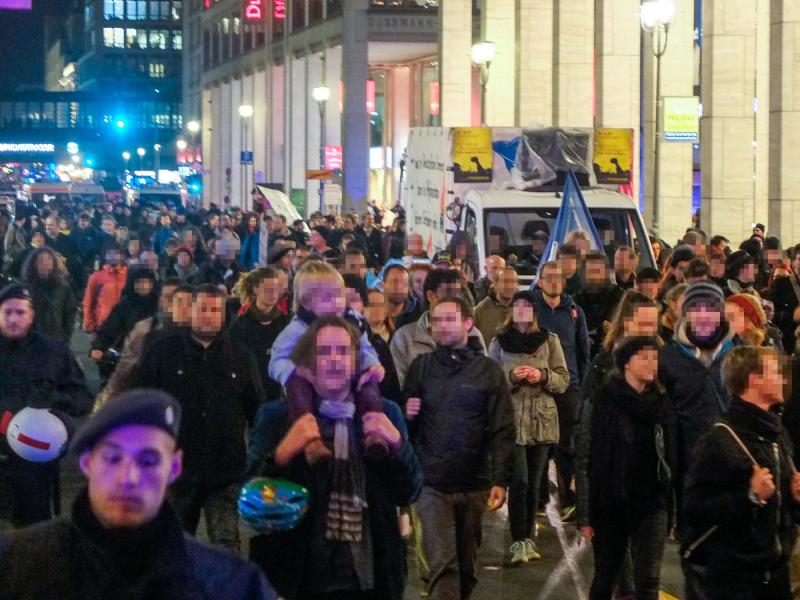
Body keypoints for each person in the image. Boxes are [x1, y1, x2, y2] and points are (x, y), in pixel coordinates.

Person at [0, 389, 277, 599]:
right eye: (112, 458)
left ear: (174, 466)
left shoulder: (229, 584)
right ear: (87, 463)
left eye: (148, 461)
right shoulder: (16, 564)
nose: (128, 478)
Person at [248, 317, 421, 599]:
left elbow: (409, 491)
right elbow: (252, 505)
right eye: (324, 351)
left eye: (343, 351)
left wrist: (398, 446)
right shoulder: (277, 417)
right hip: (298, 576)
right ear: (305, 364)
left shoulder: (384, 414)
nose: (334, 360)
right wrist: (280, 456)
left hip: (369, 575)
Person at [133, 285, 266, 551]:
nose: (209, 315)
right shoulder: (162, 352)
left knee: (227, 546)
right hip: (176, 472)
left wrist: (256, 463)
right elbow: (142, 404)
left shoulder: (241, 357)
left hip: (225, 471)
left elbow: (257, 412)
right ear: (190, 311)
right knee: (173, 546)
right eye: (202, 308)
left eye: (215, 310)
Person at [404, 297, 515, 600]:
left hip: (474, 483)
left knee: (466, 568)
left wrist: (500, 479)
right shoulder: (421, 368)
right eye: (436, 320)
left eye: (449, 318)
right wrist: (407, 414)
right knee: (444, 565)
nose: (442, 325)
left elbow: (503, 428)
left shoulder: (489, 372)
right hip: (432, 483)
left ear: (468, 323)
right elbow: (406, 431)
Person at [682, 346, 799, 600]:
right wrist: (750, 497)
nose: (782, 378)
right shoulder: (720, 441)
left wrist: (795, 498)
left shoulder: (778, 436)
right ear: (754, 379)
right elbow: (694, 510)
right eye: (775, 372)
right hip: (732, 582)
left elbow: (781, 514)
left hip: (775, 578)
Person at [576, 337, 676, 600]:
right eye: (643, 357)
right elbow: (586, 457)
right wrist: (585, 515)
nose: (650, 363)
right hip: (611, 502)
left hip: (651, 503)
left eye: (654, 357)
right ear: (626, 363)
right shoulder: (602, 401)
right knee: (606, 576)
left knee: (649, 580)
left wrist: (671, 507)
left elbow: (670, 459)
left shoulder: (662, 403)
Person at [267, 261, 387, 464]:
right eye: (327, 298)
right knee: (297, 388)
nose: (337, 303)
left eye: (340, 295)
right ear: (307, 303)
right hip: (310, 382)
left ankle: (373, 432)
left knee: (368, 384)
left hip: (346, 380)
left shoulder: (352, 321)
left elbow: (365, 349)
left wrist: (373, 366)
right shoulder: (298, 328)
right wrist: (295, 371)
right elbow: (276, 360)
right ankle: (311, 440)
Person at [0, 283, 93, 526]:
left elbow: (83, 398)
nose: (13, 319)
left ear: (32, 315)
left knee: (32, 535)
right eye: (7, 312)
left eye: (20, 312)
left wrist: (54, 400)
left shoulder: (53, 351)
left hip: (33, 465)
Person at [488, 290, 569, 564]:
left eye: (527, 306)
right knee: (519, 481)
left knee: (535, 483)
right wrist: (512, 376)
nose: (523, 311)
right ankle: (518, 541)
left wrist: (542, 376)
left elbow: (563, 379)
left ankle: (528, 539)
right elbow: (491, 381)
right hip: (512, 422)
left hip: (542, 420)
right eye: (518, 306)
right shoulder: (498, 343)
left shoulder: (549, 341)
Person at [658, 282, 738, 530]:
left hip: (731, 459)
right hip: (685, 459)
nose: (704, 315)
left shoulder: (738, 354)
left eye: (711, 309)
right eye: (696, 309)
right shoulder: (667, 357)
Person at [532, 261, 591, 519]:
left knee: (568, 447)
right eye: (549, 277)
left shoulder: (575, 312)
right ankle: (539, 501)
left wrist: (580, 384)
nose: (554, 282)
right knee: (540, 445)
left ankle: (570, 501)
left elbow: (583, 352)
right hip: (539, 386)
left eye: (558, 277)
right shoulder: (532, 309)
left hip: (569, 388)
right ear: (541, 281)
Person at [93, 279, 192, 411]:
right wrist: (102, 407)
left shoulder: (199, 333)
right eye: (168, 298)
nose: (175, 304)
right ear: (161, 300)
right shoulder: (145, 330)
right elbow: (124, 371)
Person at [390, 268, 486, 386]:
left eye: (458, 292)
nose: (455, 298)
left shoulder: (472, 334)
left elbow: (484, 379)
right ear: (431, 296)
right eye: (448, 292)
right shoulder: (405, 338)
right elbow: (402, 385)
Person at [229, 267, 291, 402]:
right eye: (268, 289)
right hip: (250, 392)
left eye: (275, 289)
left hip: (279, 391)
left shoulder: (285, 323)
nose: (273, 294)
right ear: (256, 289)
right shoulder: (241, 325)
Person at [90, 266, 159, 380]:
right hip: (129, 357)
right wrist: (98, 347)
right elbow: (109, 329)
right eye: (139, 282)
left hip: (155, 357)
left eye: (146, 282)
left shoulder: (159, 306)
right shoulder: (124, 306)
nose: (143, 286)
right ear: (133, 284)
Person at [21, 246, 78, 343]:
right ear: (34, 264)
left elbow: (70, 311)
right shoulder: (26, 288)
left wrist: (66, 335)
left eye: (49, 259)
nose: (45, 263)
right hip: (31, 340)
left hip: (57, 338)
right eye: (40, 260)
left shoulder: (63, 287)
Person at [574, 251, 624, 357]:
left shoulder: (619, 296)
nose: (594, 275)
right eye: (591, 271)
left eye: (598, 271)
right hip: (583, 352)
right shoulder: (576, 299)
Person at [83, 244, 128, 334]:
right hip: (102, 326)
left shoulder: (130, 276)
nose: (113, 256)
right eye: (110, 253)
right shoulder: (96, 277)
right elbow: (88, 302)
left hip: (125, 326)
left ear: (122, 256)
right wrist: (89, 323)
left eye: (116, 253)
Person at [474, 266, 518, 346]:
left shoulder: (524, 309)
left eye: (512, 281)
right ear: (495, 284)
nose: (509, 286)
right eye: (505, 281)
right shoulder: (481, 309)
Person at [770, 243, 800, 354]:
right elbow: (771, 315)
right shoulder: (781, 284)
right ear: (793, 262)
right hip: (790, 344)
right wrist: (792, 315)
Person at [384, 264, 423, 334]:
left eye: (404, 283)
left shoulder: (420, 312)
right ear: (383, 284)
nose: (399, 287)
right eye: (394, 282)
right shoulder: (371, 307)